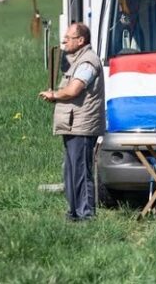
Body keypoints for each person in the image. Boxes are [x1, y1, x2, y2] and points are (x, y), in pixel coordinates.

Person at [38, 23, 104, 221]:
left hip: (82, 125)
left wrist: (54, 95)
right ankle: (74, 212)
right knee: (70, 170)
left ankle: (86, 215)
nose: (64, 40)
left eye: (69, 37)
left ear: (81, 40)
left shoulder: (87, 62)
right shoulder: (77, 60)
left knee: (81, 170)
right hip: (73, 123)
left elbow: (73, 90)